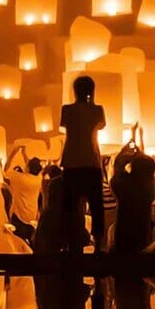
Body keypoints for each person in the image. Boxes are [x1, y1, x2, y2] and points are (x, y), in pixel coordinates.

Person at [60, 76, 108, 250]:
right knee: (96, 206)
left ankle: (70, 243)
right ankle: (99, 245)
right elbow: (101, 125)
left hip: (71, 162)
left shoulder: (67, 110)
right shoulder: (97, 110)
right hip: (91, 161)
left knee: (70, 207)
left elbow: (66, 125)